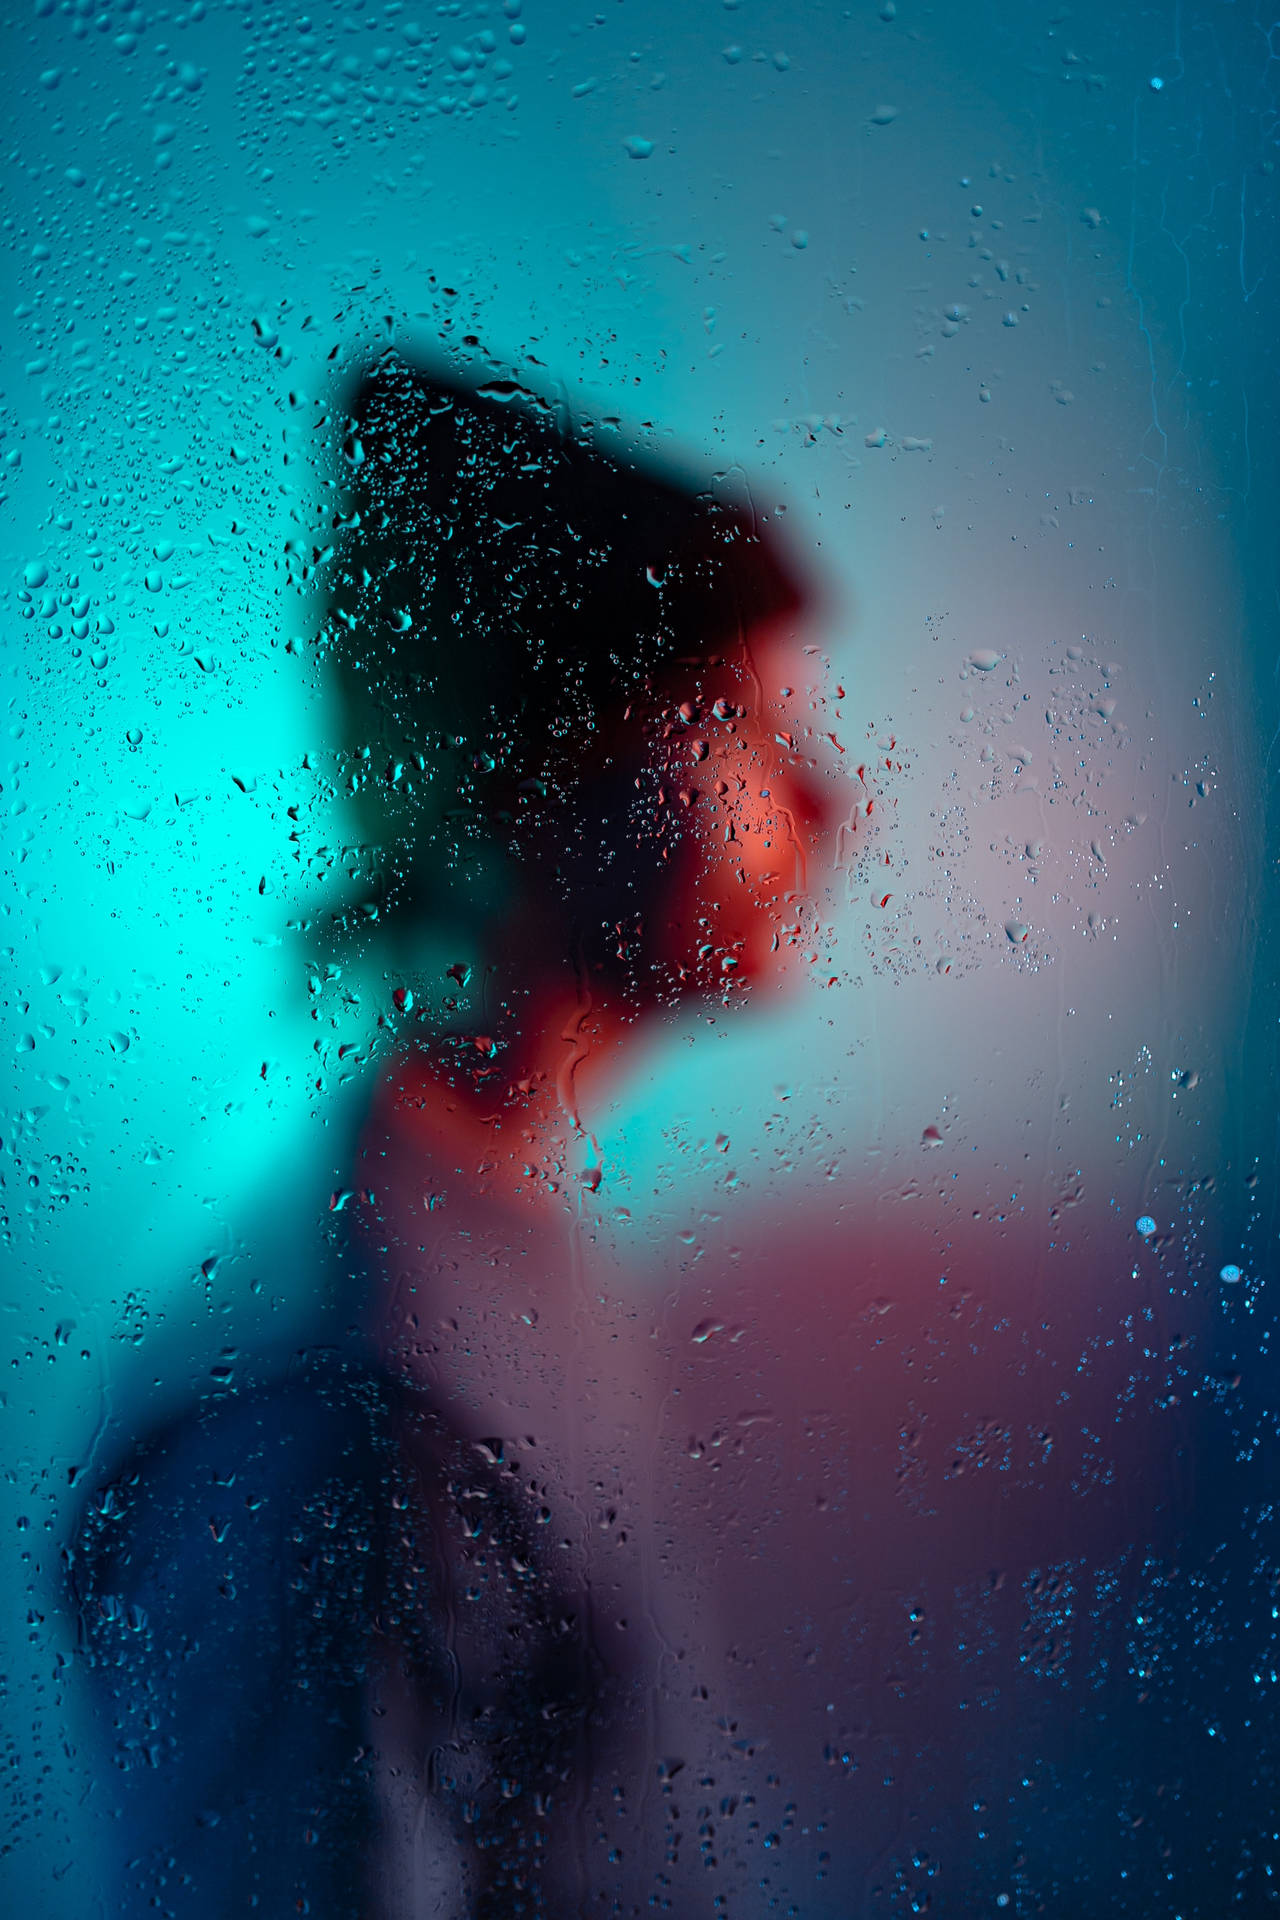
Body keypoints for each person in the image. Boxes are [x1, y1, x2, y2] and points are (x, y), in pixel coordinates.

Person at [73, 348, 840, 1917]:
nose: (832, 806)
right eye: (746, 726)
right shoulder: (343, 1388)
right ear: (539, 768)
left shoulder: (490, 1227)